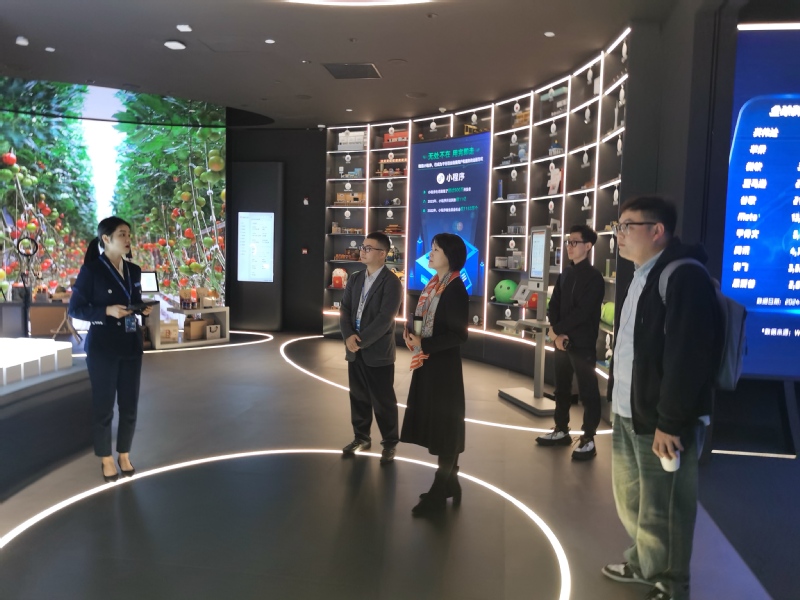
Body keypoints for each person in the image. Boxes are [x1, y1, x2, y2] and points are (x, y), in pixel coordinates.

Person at [602, 197, 720, 600]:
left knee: (665, 507)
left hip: (662, 419)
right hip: (630, 411)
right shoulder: (642, 274)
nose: (619, 235)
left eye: (627, 226)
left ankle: (672, 585)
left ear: (657, 231)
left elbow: (689, 357)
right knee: (633, 501)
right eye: (618, 227)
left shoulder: (684, 276)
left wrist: (669, 422)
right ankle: (644, 563)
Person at [69, 217, 152, 482]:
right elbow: (75, 309)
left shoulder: (134, 270)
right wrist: (106, 310)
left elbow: (134, 299)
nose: (128, 239)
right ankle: (106, 458)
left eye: (128, 234)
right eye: (122, 234)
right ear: (106, 239)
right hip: (103, 346)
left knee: (129, 404)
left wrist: (141, 308)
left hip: (130, 343)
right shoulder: (91, 271)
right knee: (104, 405)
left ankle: (124, 454)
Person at [401, 233, 469, 516]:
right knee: (439, 425)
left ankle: (439, 491)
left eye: (436, 249)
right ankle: (450, 483)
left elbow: (459, 335)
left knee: (445, 427)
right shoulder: (433, 285)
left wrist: (424, 344)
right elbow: (424, 321)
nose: (430, 254)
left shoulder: (455, 289)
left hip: (444, 369)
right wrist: (411, 334)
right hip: (428, 363)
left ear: (450, 255)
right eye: (431, 249)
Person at [536, 224, 605, 460]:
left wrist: (557, 331)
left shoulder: (595, 278)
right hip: (561, 342)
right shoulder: (565, 273)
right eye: (568, 242)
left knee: (588, 391)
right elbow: (554, 304)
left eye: (575, 242)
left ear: (588, 246)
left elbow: (583, 312)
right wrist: (556, 333)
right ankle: (561, 429)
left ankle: (588, 437)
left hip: (582, 344)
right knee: (561, 387)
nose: (569, 246)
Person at [339, 232, 403, 463]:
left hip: (377, 352)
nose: (363, 251)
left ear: (382, 254)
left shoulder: (392, 283)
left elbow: (385, 319)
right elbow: (345, 310)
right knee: (358, 396)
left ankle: (389, 443)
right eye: (363, 247)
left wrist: (359, 341)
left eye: (368, 248)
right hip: (354, 349)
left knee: (383, 401)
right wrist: (348, 336)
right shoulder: (355, 279)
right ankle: (361, 437)